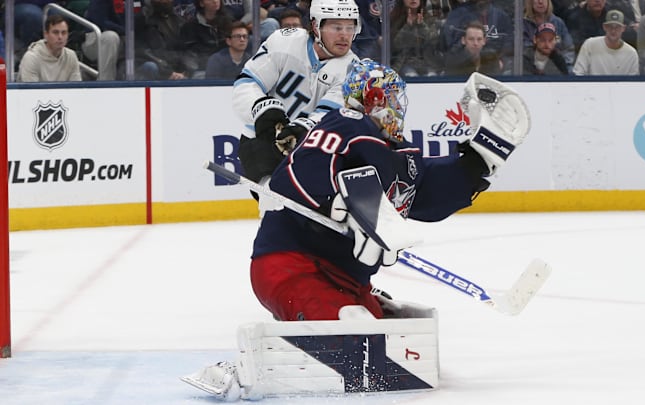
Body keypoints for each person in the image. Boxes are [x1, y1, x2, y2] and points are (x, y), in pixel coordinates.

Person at [183, 58, 531, 401]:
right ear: (375, 100)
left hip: (345, 281)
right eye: (391, 99)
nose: (397, 107)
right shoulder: (344, 124)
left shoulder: (398, 156)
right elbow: (299, 175)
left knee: (384, 335)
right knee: (355, 328)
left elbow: (431, 195)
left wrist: (483, 156)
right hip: (290, 267)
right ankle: (241, 369)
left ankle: (310, 323)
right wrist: (339, 202)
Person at [232, 0, 361, 194]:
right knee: (272, 200)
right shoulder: (284, 42)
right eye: (336, 27)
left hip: (312, 149)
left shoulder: (354, 70)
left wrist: (303, 130)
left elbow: (329, 115)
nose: (344, 35)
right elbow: (247, 82)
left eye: (350, 27)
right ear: (316, 26)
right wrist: (261, 109)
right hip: (263, 141)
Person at [439, 0, 513, 73]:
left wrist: (502, 61)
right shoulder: (457, 15)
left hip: (495, 71)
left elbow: (509, 46)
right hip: (463, 70)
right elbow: (451, 48)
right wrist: (472, 57)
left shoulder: (502, 17)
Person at [135, 0, 189, 80]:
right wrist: (167, 72)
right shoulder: (143, 20)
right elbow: (144, 53)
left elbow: (187, 52)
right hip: (154, 68)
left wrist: (184, 71)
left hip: (176, 69)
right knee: (150, 67)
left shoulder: (179, 21)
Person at [572, 9, 639, 75]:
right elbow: (578, 73)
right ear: (604, 27)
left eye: (617, 27)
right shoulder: (589, 45)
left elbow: (633, 82)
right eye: (610, 27)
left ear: (623, 28)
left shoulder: (631, 54)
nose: (613, 31)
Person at [18, 14, 82, 82]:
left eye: (64, 33)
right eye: (55, 32)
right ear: (46, 34)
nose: (60, 37)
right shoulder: (31, 58)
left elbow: (76, 89)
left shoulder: (71, 56)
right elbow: (30, 91)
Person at [389, 0, 441, 77]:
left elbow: (434, 42)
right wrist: (408, 27)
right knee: (411, 75)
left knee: (432, 75)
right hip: (404, 63)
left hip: (427, 62)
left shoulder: (429, 18)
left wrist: (422, 26)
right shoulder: (396, 18)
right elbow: (395, 45)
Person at [522, 0, 575, 71]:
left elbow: (568, 48)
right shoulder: (522, 24)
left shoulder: (558, 22)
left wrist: (566, 69)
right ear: (530, 2)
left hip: (557, 69)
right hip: (529, 69)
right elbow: (523, 52)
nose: (540, 2)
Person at [565, 0, 636, 53]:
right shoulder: (575, 18)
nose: (597, 1)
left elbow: (628, 28)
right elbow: (577, 44)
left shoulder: (611, 12)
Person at [82, 0, 125, 80]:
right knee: (110, 37)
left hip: (127, 39)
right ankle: (105, 84)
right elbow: (100, 21)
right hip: (97, 38)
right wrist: (124, 30)